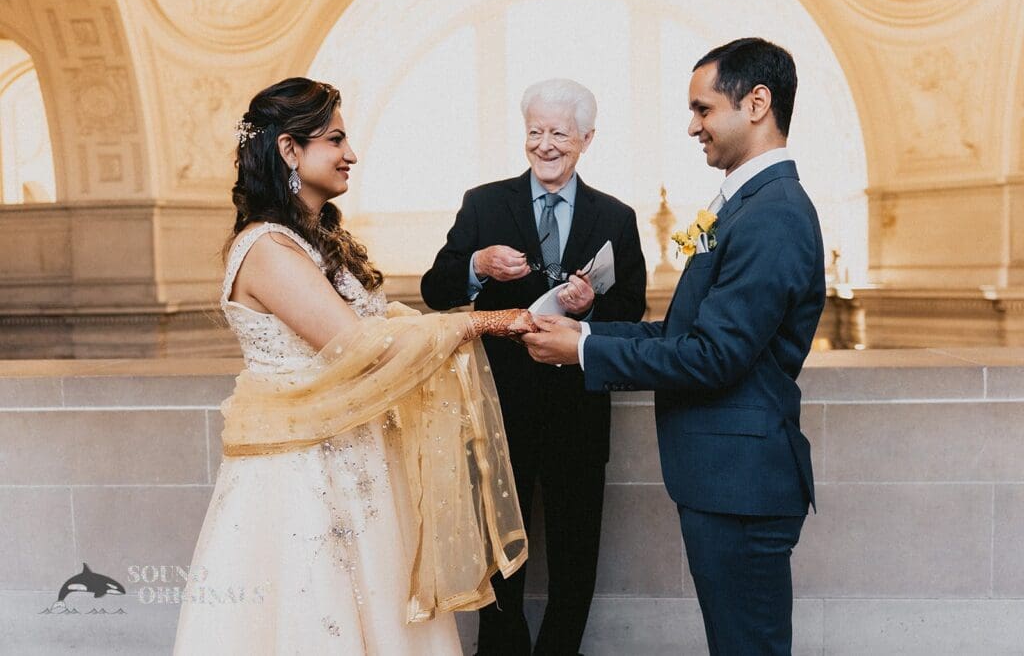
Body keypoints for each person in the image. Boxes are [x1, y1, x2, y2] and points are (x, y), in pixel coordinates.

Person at [174, 77, 537, 655]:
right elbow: (359, 345)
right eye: (335, 140)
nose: (351, 154)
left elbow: (382, 322)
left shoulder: (316, 240)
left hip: (356, 463)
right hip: (301, 477)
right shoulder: (267, 248)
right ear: (290, 151)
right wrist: (483, 322)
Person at [522, 38, 825, 655]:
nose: (694, 127)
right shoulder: (747, 205)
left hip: (741, 483)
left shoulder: (774, 213)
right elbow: (684, 333)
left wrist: (582, 354)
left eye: (703, 109)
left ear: (757, 103)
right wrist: (582, 333)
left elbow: (713, 356)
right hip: (724, 481)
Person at [421, 78, 647, 656]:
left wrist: (590, 307)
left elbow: (633, 311)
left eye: (559, 134)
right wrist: (477, 264)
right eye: (534, 132)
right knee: (501, 572)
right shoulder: (484, 204)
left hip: (579, 418)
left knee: (574, 571)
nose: (545, 145)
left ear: (587, 139)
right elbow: (435, 290)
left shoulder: (616, 218)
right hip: (497, 418)